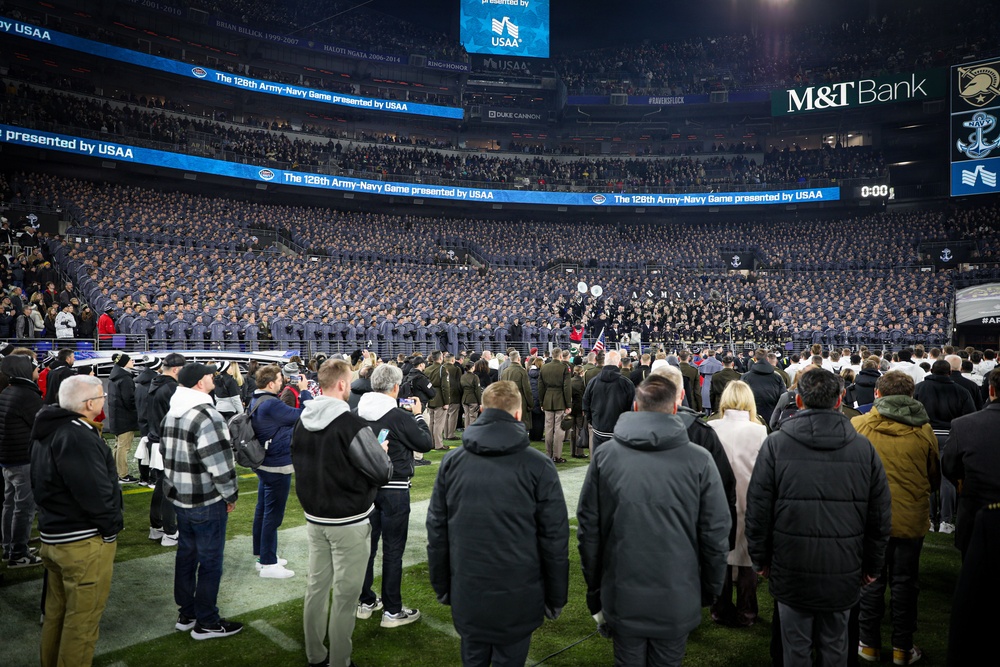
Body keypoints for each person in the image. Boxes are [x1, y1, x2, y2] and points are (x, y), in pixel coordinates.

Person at [577, 375, 730, 666]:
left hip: (624, 592)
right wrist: (710, 587)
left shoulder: (607, 456)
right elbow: (715, 534)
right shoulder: (698, 459)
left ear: (635, 406)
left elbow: (589, 533)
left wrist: (595, 589)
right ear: (675, 408)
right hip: (675, 592)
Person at [746, 369, 892, 667]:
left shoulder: (778, 444)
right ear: (840, 400)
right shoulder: (861, 448)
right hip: (838, 566)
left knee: (797, 650)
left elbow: (758, 509)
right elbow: (879, 516)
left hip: (797, 567)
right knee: (833, 649)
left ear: (799, 401)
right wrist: (873, 565)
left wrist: (760, 559)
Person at [427, 380, 569, 667]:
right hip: (517, 593)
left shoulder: (454, 462)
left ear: (482, 411)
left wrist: (442, 585)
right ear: (518, 414)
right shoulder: (538, 465)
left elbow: (437, 532)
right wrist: (556, 596)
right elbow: (554, 540)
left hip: (470, 589)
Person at [292, 359, 392, 667]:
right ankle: (340, 661)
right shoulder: (350, 424)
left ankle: (315, 655)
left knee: (316, 588)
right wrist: (381, 453)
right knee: (346, 596)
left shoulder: (302, 419)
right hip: (348, 519)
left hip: (315, 517)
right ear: (342, 384)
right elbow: (382, 471)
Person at [31, 374, 123, 667]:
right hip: (81, 542)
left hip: (54, 536)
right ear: (89, 403)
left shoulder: (51, 428)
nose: (104, 401)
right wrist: (110, 529)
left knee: (57, 616)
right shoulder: (76, 435)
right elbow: (94, 492)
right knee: (82, 623)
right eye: (101, 396)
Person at [851, 371, 939, 664]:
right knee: (905, 583)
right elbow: (934, 476)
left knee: (871, 580)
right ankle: (902, 647)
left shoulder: (859, 425)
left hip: (870, 518)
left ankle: (868, 643)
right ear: (911, 396)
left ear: (877, 394)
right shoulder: (924, 430)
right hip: (909, 518)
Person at [160, 361, 242, 639]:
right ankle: (206, 621)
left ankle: (187, 613)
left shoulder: (172, 413)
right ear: (199, 382)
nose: (214, 379)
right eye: (210, 375)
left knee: (187, 556)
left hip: (180, 497)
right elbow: (220, 463)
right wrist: (230, 494)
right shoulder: (206, 415)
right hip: (206, 500)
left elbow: (165, 456)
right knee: (210, 561)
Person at [356, 363, 432, 627]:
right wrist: (418, 416)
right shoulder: (398, 416)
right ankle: (392, 610)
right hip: (394, 487)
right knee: (393, 549)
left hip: (365, 487)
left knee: (366, 548)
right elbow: (425, 443)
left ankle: (365, 600)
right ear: (396, 387)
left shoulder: (357, 411)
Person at [708, 381, 767, 627]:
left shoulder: (711, 427)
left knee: (720, 555)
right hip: (748, 500)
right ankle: (747, 612)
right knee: (746, 560)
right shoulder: (759, 431)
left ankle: (720, 610)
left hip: (717, 500)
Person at [250, 364, 312, 579]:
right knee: (272, 515)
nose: (283, 382)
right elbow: (306, 414)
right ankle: (268, 563)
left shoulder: (257, 398)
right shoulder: (272, 404)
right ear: (270, 384)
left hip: (265, 462)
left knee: (263, 510)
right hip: (276, 464)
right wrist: (305, 391)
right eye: (279, 379)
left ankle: (262, 555)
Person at [942, 370, 1000, 559]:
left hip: (976, 507)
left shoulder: (964, 425)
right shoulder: (963, 424)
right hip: (975, 506)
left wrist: (961, 481)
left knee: (974, 566)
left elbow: (949, 465)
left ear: (991, 391)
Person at [914, 359, 975, 534]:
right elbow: (969, 417)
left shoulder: (919, 388)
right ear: (950, 373)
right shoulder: (961, 391)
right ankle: (945, 521)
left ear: (931, 370)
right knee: (947, 478)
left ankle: (929, 519)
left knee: (928, 477)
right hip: (950, 436)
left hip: (925, 434)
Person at [1, 352, 44, 567]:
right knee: (24, 508)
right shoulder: (26, 395)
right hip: (22, 459)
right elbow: (41, 425)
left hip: (8, 458)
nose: (38, 369)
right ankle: (18, 553)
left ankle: (9, 547)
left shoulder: (8, 391)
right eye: (34, 367)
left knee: (9, 504)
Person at [146, 353, 185, 546]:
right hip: (168, 441)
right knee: (171, 487)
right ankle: (170, 532)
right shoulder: (172, 388)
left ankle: (157, 526)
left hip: (155, 438)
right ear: (176, 369)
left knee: (161, 485)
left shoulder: (155, 383)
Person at [582, 350, 636, 448]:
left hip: (599, 429)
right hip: (618, 430)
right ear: (619, 363)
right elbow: (632, 409)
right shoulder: (627, 384)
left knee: (599, 456)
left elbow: (586, 405)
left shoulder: (593, 382)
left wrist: (593, 421)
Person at [106, 352, 140, 484]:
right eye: (130, 360)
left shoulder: (114, 376)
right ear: (124, 363)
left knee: (118, 445)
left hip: (117, 415)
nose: (133, 362)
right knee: (124, 447)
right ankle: (123, 474)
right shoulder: (125, 378)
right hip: (125, 416)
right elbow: (129, 400)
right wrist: (136, 410)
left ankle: (116, 472)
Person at [539, 347, 572, 463]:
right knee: (559, 429)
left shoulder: (544, 367)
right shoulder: (564, 367)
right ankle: (557, 456)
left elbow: (540, 387)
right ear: (561, 356)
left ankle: (548, 454)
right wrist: (568, 404)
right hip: (560, 400)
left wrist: (541, 402)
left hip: (547, 399)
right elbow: (567, 387)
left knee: (548, 428)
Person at [740, 349, 786, 428]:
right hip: (772, 417)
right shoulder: (777, 377)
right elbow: (783, 397)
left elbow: (740, 397)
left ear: (755, 359)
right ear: (767, 359)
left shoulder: (745, 377)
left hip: (751, 418)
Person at [499, 349, 534, 433]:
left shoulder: (505, 371)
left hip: (507, 402)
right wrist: (531, 403)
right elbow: (527, 389)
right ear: (518, 358)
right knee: (521, 426)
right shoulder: (522, 371)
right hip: (520, 402)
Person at [425, 351, 451, 451]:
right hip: (439, 398)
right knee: (439, 423)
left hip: (429, 397)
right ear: (440, 358)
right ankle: (438, 444)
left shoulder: (427, 369)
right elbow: (445, 387)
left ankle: (431, 443)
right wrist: (446, 402)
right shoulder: (442, 369)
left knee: (431, 422)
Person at [460, 361, 483, 429]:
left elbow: (460, 388)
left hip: (464, 399)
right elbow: (477, 390)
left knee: (466, 416)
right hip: (473, 399)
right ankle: (472, 431)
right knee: (473, 417)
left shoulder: (462, 377)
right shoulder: (475, 377)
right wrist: (480, 402)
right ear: (472, 367)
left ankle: (466, 431)